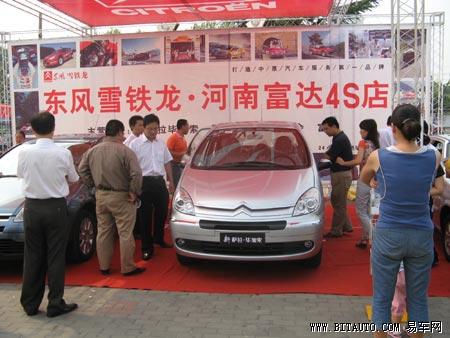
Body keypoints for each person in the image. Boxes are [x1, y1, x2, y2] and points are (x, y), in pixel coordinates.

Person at [360, 104, 442, 338]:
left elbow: (365, 178)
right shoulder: (433, 155)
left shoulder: (379, 157)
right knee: (418, 299)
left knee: (383, 297)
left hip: (389, 235)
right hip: (421, 236)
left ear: (393, 128)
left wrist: (377, 183)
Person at [17, 111, 79, 318]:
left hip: (32, 207)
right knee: (55, 256)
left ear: (33, 130)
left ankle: (30, 304)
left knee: (33, 255)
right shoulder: (63, 153)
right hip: (56, 208)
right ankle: (55, 303)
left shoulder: (25, 152)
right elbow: (73, 178)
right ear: (53, 128)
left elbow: (21, 174)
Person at [78, 120, 145, 277]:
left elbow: (82, 169)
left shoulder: (92, 151)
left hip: (101, 195)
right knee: (125, 233)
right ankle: (127, 267)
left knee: (103, 232)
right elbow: (136, 174)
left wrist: (92, 185)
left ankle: (104, 267)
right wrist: (134, 192)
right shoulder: (125, 151)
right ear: (120, 132)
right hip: (122, 196)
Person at [129, 114, 175, 260]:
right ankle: (146, 247)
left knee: (162, 212)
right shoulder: (135, 144)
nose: (153, 132)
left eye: (156, 129)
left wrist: (171, 182)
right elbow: (131, 166)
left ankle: (159, 239)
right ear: (144, 128)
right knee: (145, 216)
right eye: (150, 129)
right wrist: (133, 187)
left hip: (159, 182)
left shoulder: (161, 143)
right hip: (144, 183)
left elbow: (167, 162)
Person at [337, 119, 380, 248]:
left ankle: (376, 238)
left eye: (363, 130)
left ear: (368, 131)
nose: (360, 132)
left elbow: (358, 160)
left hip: (364, 180)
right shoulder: (377, 144)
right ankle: (364, 239)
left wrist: (343, 162)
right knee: (370, 212)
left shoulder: (363, 143)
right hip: (376, 181)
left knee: (361, 212)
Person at [321, 116, 354, 238]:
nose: (325, 132)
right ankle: (347, 226)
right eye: (324, 129)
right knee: (338, 202)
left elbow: (328, 156)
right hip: (340, 174)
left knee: (338, 202)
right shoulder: (338, 137)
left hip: (341, 174)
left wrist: (328, 156)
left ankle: (336, 230)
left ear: (334, 126)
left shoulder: (340, 139)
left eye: (326, 129)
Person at [166, 119, 189, 188]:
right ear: (182, 126)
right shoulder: (173, 138)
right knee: (176, 187)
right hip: (174, 166)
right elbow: (167, 152)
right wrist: (180, 154)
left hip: (181, 165)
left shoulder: (182, 138)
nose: (188, 128)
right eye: (187, 125)